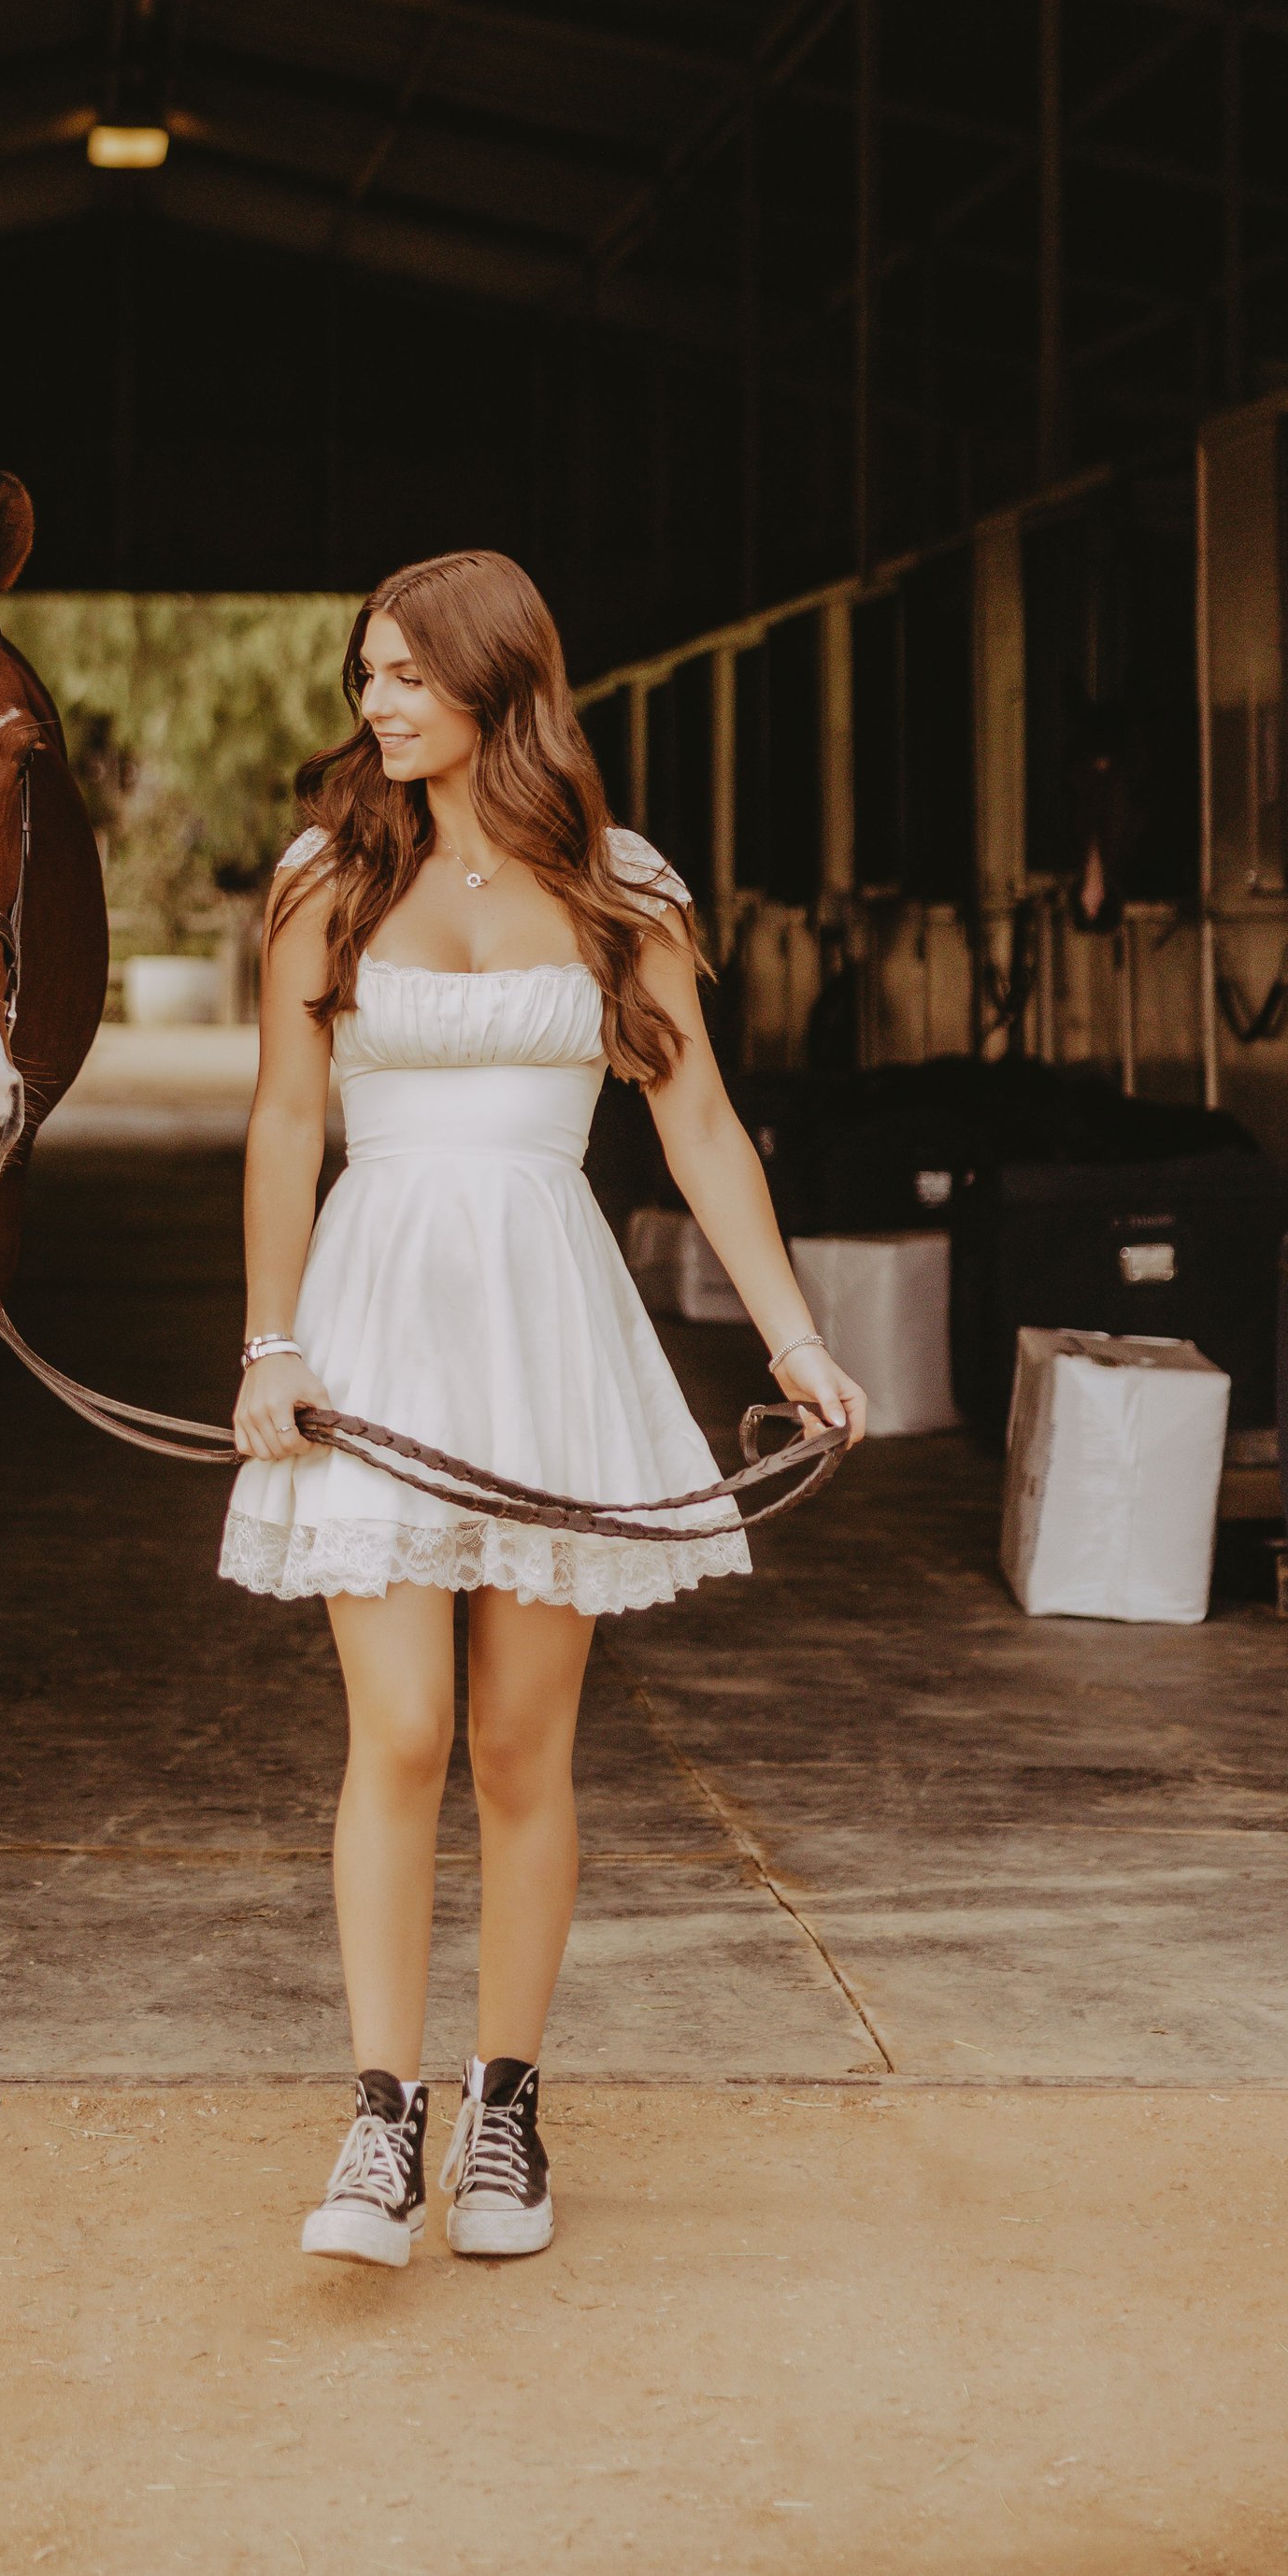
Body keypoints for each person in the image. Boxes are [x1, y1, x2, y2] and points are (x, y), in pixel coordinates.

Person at [222, 551, 865, 2270]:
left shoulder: (618, 889)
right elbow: (290, 1124)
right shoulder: (325, 880)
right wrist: (267, 1344)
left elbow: (702, 1126)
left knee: (521, 1747)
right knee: (405, 1732)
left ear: (500, 683)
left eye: (407, 676)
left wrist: (793, 1339)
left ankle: (504, 2108)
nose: (376, 704)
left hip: (547, 1329)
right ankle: (379, 2117)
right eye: (364, 676)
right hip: (373, 1329)